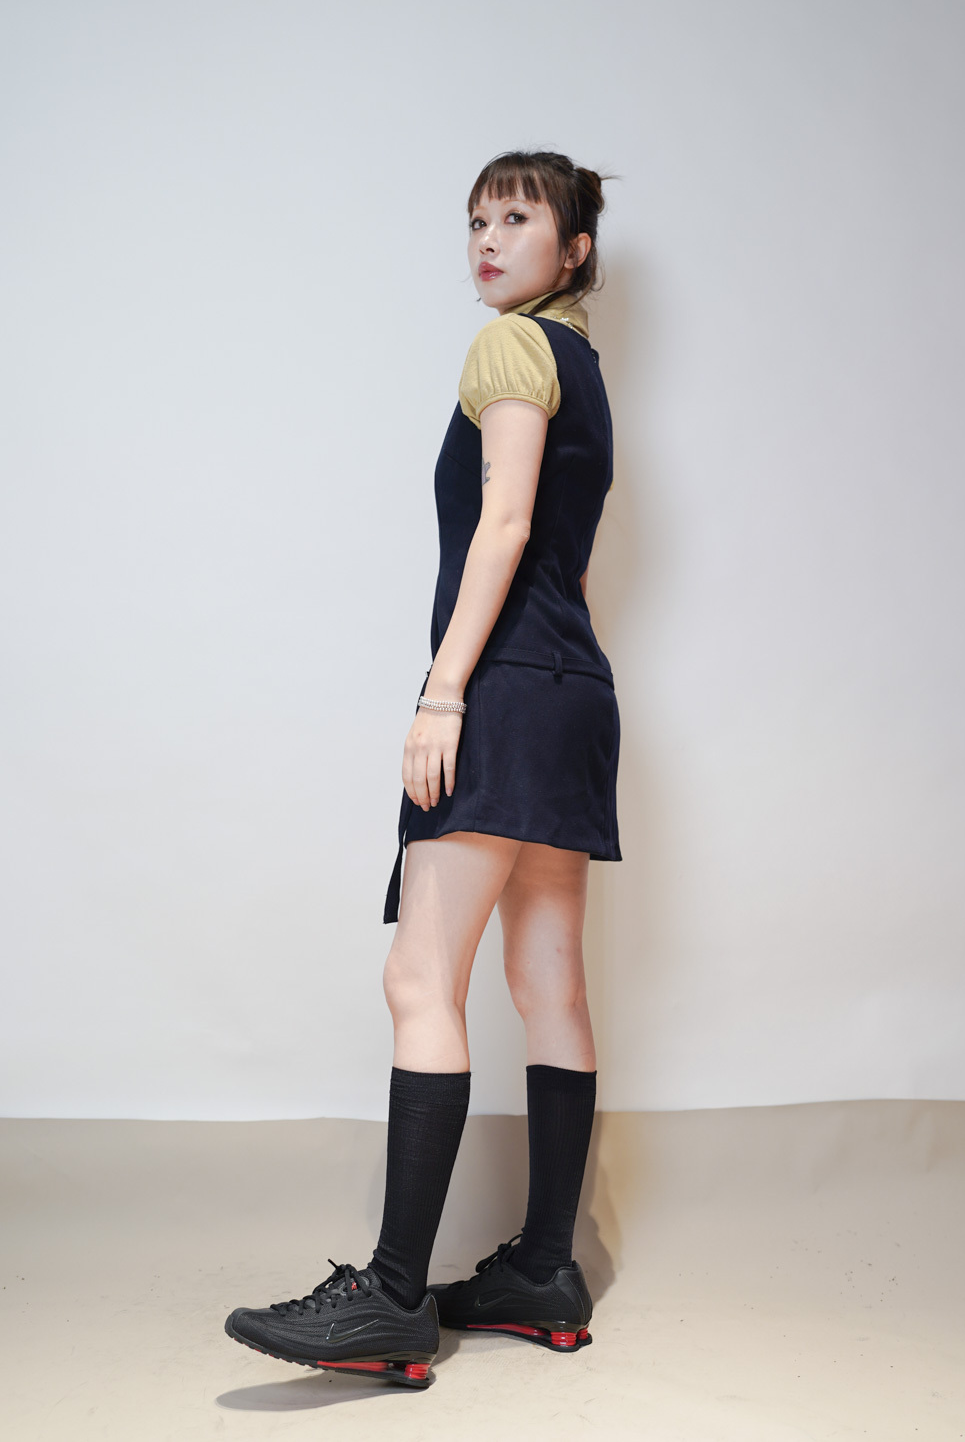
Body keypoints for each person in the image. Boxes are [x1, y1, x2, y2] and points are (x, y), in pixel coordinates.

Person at [225, 149, 623, 1389]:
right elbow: (568, 562)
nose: (487, 240)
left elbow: (504, 526)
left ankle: (394, 1298)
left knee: (419, 978)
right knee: (548, 980)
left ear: (573, 249)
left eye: (517, 217)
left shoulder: (509, 348)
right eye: (476, 220)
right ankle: (544, 1272)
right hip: (577, 693)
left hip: (501, 690)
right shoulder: (586, 371)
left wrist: (443, 691)